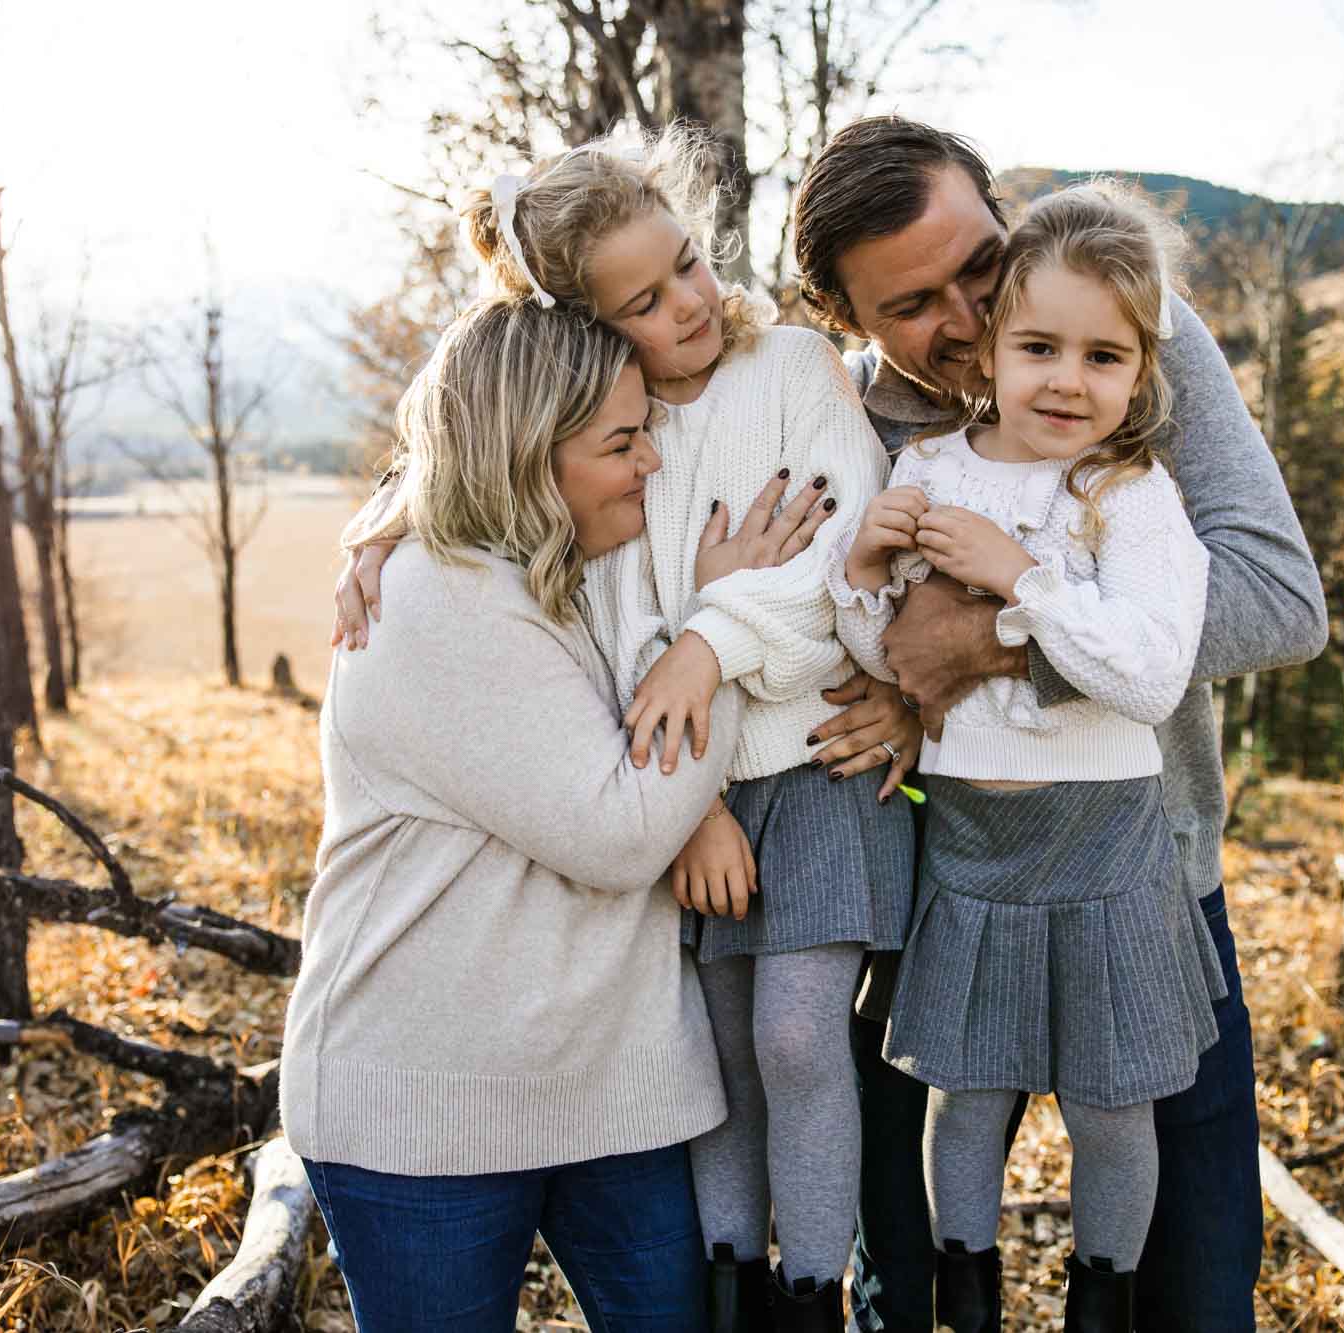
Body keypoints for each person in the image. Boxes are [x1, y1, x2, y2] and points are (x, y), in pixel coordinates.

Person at [342, 127, 921, 1331]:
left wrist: (710, 637)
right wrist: (385, 517)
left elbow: (838, 572)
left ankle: (811, 1285)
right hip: (673, 819)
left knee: (800, 1036)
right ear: (592, 334)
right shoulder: (579, 469)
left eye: (691, 266)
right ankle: (731, 1274)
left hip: (813, 760)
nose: (691, 306)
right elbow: (606, 656)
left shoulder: (792, 371)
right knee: (723, 1054)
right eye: (645, 302)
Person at [789, 118, 1329, 1332]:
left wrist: (984, 646)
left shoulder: (1121, 328)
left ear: (1005, 209)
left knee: (1185, 1281)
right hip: (927, 901)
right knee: (917, 1269)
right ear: (844, 319)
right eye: (912, 304)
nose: (973, 321)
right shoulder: (849, 428)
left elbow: (1279, 598)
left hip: (1136, 877)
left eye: (980, 264)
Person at [281, 296, 822, 1332]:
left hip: (614, 1087)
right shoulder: (437, 600)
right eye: (619, 443)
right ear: (528, 458)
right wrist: (728, 631)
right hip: (425, 1112)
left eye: (645, 433)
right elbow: (620, 832)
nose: (649, 466)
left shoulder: (587, 569)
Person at [834, 181, 1225, 1333]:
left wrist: (1021, 581)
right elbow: (887, 655)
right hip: (967, 840)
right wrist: (858, 568)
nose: (1067, 379)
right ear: (992, 343)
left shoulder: (1132, 495)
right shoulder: (932, 472)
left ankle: (1096, 1304)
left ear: (1142, 367)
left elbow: (1149, 677)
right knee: (965, 1095)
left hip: (1102, 842)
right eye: (1040, 346)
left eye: (1103, 356)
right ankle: (968, 1295)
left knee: (1112, 1106)